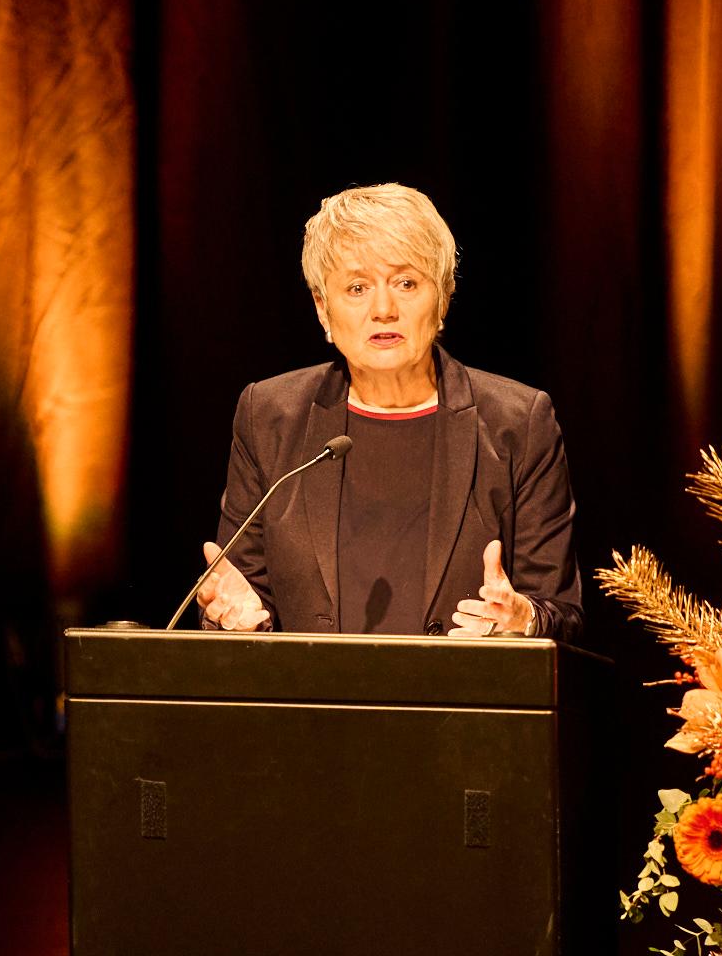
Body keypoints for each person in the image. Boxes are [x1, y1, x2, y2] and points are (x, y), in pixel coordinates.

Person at [195, 183, 581, 640]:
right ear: (323, 308)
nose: (383, 309)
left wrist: (523, 618)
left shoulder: (517, 422)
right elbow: (240, 597)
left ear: (441, 299)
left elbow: (561, 612)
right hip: (312, 705)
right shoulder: (271, 415)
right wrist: (236, 616)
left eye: (406, 283)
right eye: (357, 287)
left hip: (458, 705)